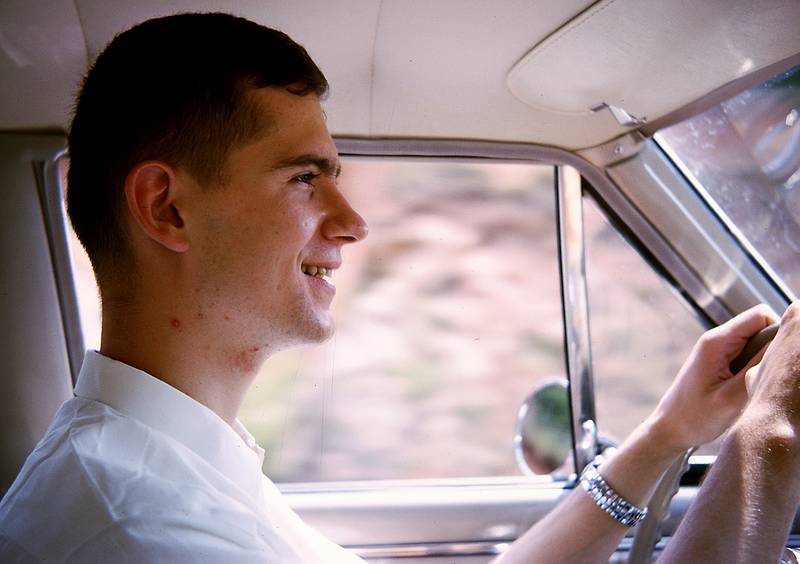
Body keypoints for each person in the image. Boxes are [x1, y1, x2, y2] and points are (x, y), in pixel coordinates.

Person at [0, 11, 796, 564]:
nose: (353, 222)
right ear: (167, 208)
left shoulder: (178, 469)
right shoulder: (140, 526)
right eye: (305, 179)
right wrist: (769, 440)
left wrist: (667, 435)